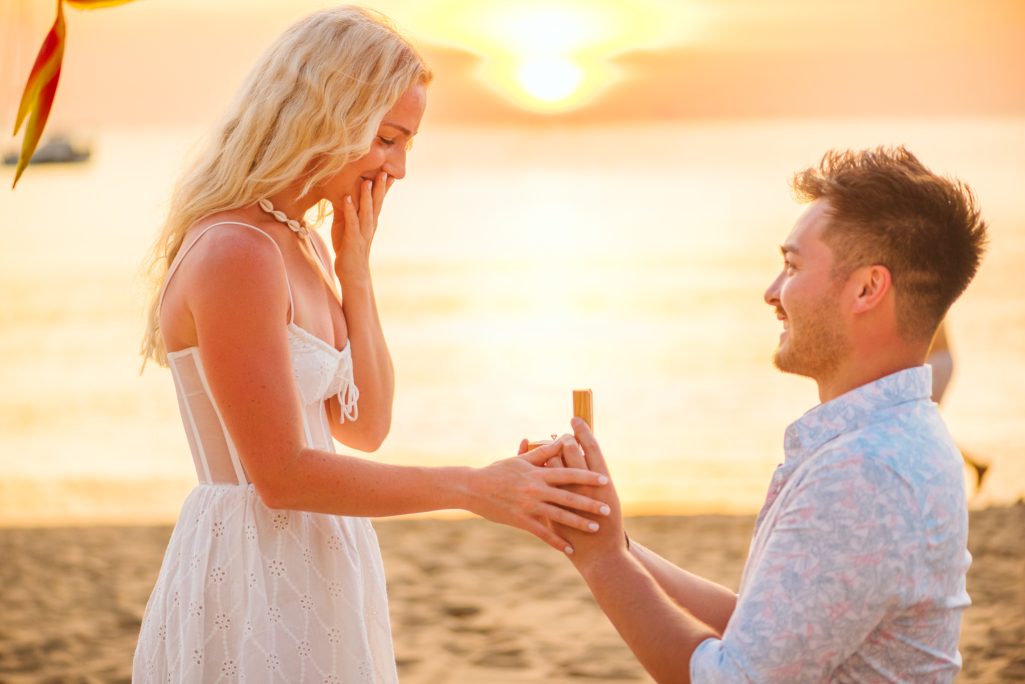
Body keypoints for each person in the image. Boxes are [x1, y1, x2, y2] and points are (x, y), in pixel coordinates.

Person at [133, 7, 609, 682]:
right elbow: (280, 476)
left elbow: (365, 426)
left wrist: (355, 272)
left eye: (407, 142)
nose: (400, 168)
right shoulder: (236, 251)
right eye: (387, 139)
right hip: (252, 568)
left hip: (323, 552)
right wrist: (472, 488)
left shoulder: (293, 242)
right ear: (326, 115)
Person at [547, 147, 988, 682]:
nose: (772, 293)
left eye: (792, 265)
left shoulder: (866, 471)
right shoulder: (894, 436)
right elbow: (765, 630)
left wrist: (603, 562)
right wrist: (611, 540)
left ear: (868, 288)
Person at [928, 320, 988, 487]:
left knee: (924, 425)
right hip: (939, 360)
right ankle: (974, 465)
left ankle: (969, 467)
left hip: (937, 361)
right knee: (926, 426)